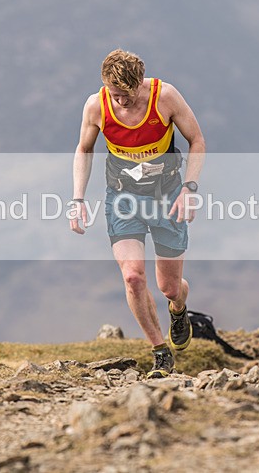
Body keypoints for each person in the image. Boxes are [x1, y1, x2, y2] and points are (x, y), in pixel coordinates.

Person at [70, 49, 206, 378]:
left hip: (168, 197)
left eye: (127, 96)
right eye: (115, 95)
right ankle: (159, 350)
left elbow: (197, 141)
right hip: (123, 198)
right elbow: (84, 149)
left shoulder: (166, 97)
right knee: (132, 277)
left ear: (140, 85)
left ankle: (179, 309)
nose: (121, 103)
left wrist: (190, 189)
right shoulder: (96, 106)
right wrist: (77, 198)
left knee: (170, 288)